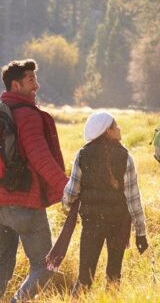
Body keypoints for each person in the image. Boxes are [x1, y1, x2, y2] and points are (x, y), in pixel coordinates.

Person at [0, 59, 68, 303]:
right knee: (46, 265)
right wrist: (67, 187)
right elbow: (40, 157)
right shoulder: (27, 115)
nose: (37, 86)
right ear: (15, 85)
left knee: (2, 265)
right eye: (31, 80)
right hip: (25, 203)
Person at [60, 111, 149, 292]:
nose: (119, 128)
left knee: (85, 277)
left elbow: (71, 192)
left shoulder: (83, 155)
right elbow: (133, 200)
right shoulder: (126, 157)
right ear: (107, 131)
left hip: (91, 223)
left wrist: (67, 206)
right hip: (119, 223)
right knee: (114, 276)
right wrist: (141, 232)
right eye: (115, 126)